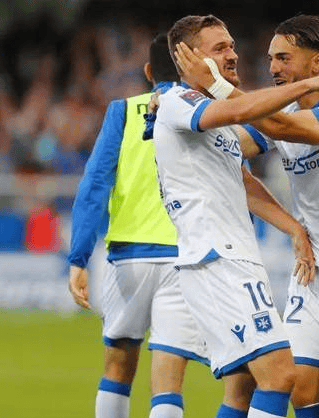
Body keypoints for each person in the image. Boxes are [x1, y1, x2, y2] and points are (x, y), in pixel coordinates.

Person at [174, 14, 319, 418]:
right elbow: (229, 147)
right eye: (270, 58)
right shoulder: (282, 112)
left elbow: (280, 125)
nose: (272, 67)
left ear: (317, 63)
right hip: (312, 271)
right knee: (301, 389)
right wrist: (176, 102)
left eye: (283, 58)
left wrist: (217, 86)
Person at [68, 34, 209, 418]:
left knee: (116, 369)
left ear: (148, 71)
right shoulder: (206, 112)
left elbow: (94, 185)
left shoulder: (124, 111)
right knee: (168, 382)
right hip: (184, 257)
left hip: (128, 258)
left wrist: (79, 257)